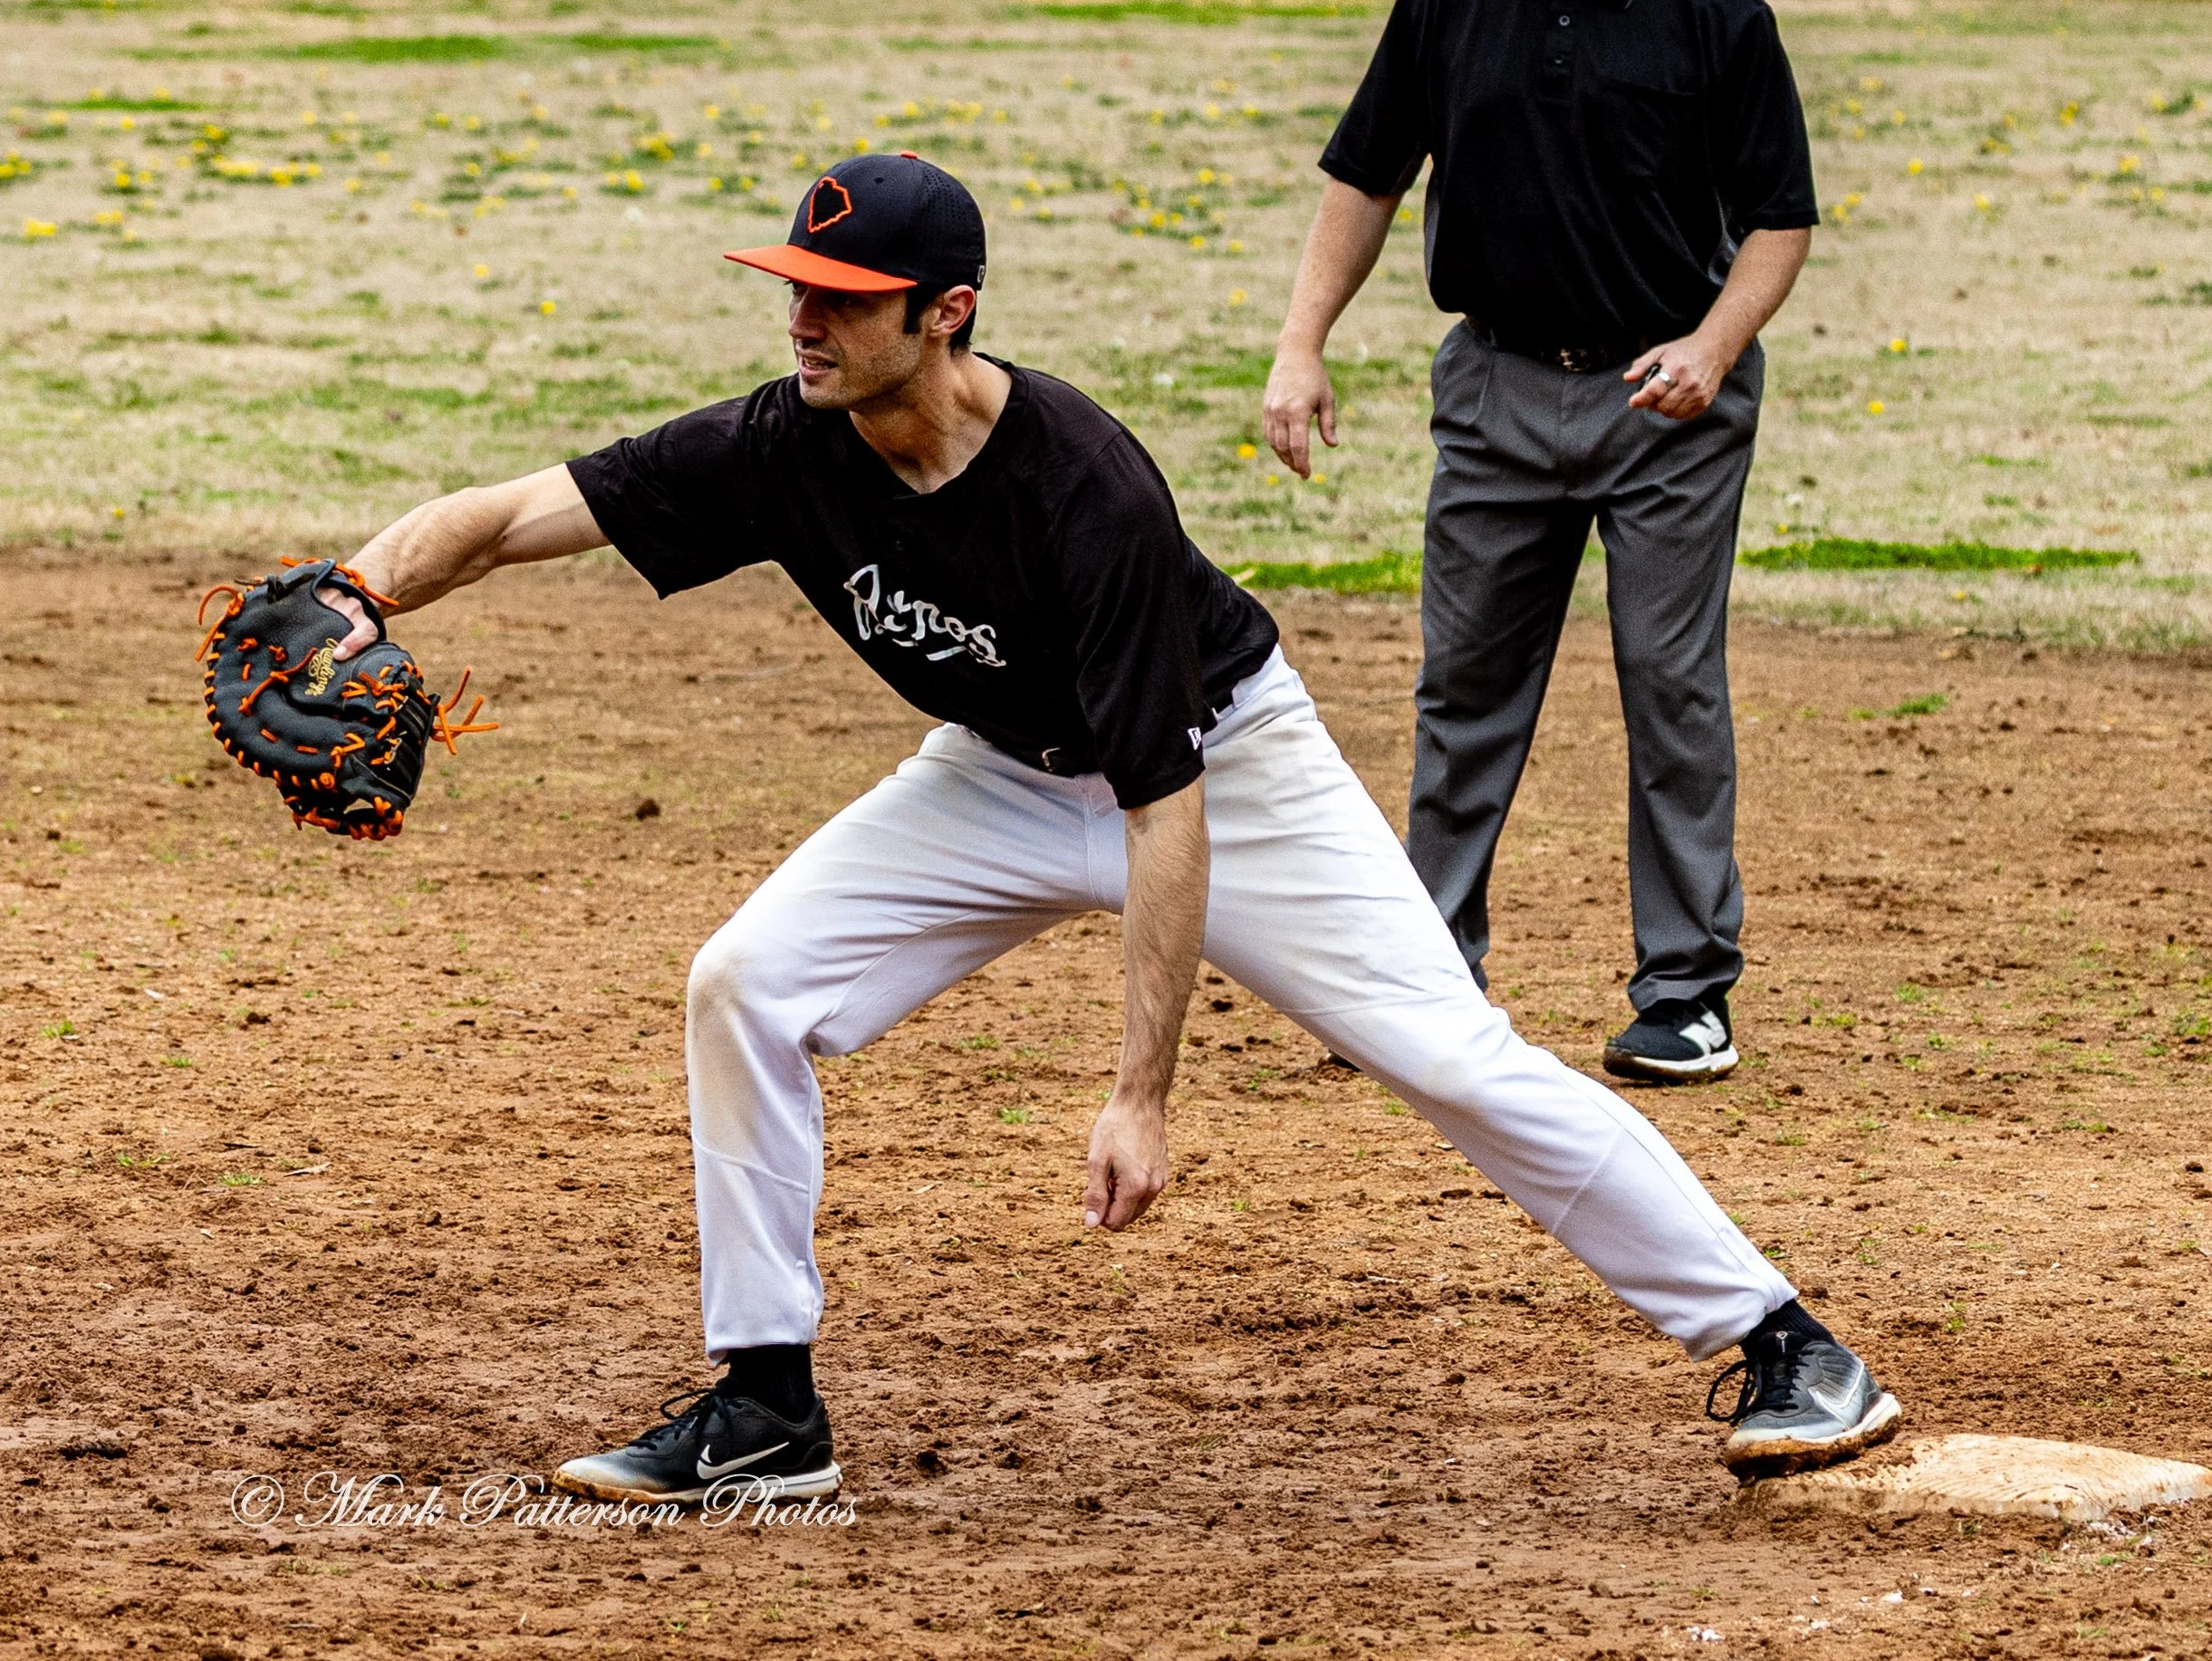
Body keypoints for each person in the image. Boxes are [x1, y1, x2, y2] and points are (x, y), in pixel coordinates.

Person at [319, 151, 1892, 1506]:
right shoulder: (781, 440)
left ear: (944, 315)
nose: (803, 318)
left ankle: (1782, 1343)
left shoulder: (1084, 491)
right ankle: (765, 1410)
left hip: (1223, 770)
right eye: (794, 284)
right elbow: (524, 512)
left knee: (1446, 1053)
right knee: (747, 983)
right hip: (1000, 771)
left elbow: (1166, 804)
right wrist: (355, 592)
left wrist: (1139, 1097)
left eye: (843, 295)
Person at [1263, 0, 1819, 1087]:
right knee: (1464, 685)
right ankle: (1423, 967)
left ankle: (1685, 992)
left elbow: (1778, 222)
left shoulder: (1715, 15)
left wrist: (1710, 343)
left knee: (1668, 686)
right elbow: (1366, 176)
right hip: (1496, 385)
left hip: (1662, 401)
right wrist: (1299, 347)